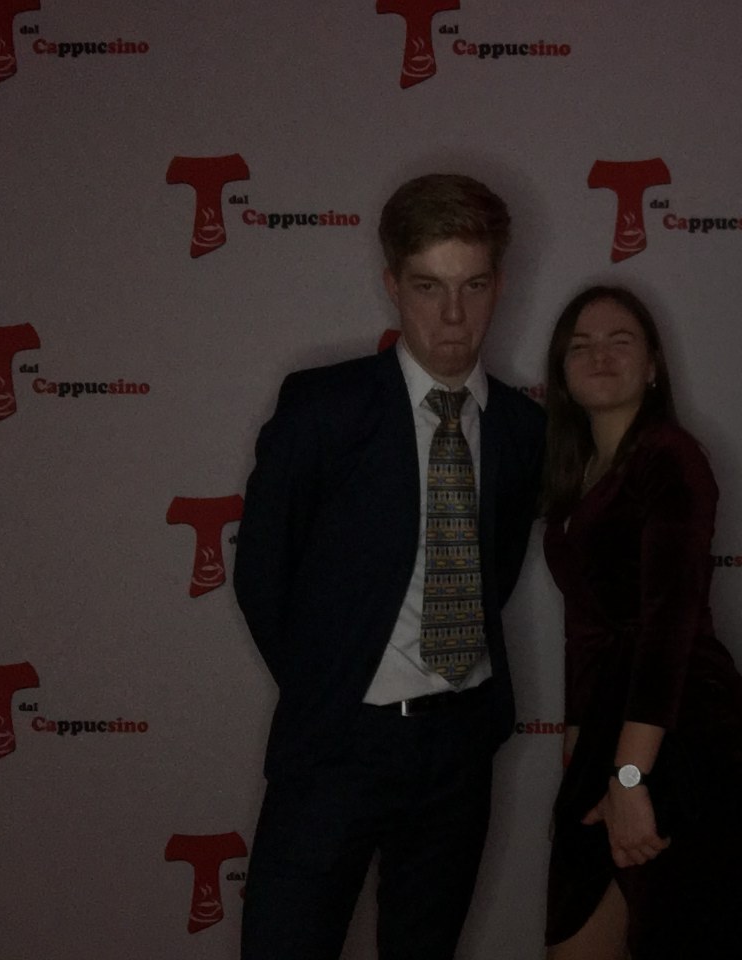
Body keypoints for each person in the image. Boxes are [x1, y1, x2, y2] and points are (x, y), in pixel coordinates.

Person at [233, 173, 546, 960]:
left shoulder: (523, 429)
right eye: (428, 286)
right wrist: (330, 690)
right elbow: (262, 576)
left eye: (473, 286)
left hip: (460, 748)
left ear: (500, 285)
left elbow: (498, 569)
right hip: (338, 746)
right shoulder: (321, 409)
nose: (453, 315)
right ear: (392, 285)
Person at [541, 285, 742, 960]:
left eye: (620, 341)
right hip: (612, 733)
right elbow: (585, 625)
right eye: (581, 345)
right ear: (562, 372)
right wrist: (577, 747)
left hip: (684, 734)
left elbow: (667, 628)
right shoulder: (577, 473)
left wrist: (628, 778)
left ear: (652, 367)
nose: (600, 355)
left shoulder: (670, 456)